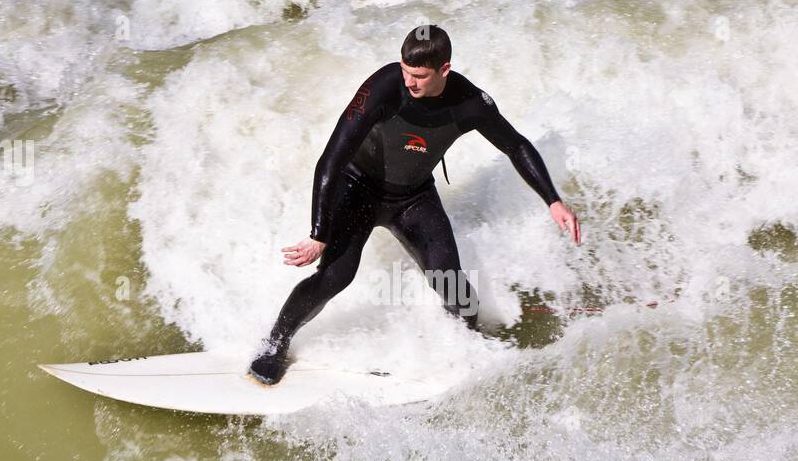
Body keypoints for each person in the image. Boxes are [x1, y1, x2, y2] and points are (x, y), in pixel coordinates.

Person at [249, 25, 582, 385]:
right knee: (335, 275)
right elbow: (331, 158)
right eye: (406, 71)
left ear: (444, 70)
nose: (410, 82)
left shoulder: (469, 102)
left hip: (412, 197)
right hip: (357, 186)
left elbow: (515, 145)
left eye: (420, 76)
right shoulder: (383, 88)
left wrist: (553, 200)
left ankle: (469, 349)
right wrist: (319, 233)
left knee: (451, 284)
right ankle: (275, 343)